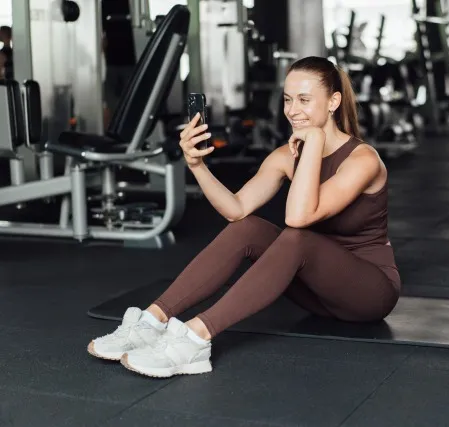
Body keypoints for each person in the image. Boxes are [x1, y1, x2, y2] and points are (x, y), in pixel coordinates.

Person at [87, 56, 402, 378]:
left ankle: (195, 338)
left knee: (296, 237)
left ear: (333, 101)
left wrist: (317, 140)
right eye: (288, 99)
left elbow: (299, 217)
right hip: (318, 295)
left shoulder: (363, 160)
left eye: (305, 100)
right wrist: (196, 165)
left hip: (368, 293)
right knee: (248, 227)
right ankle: (151, 322)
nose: (293, 110)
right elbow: (235, 209)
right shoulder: (285, 156)